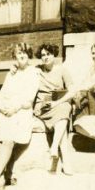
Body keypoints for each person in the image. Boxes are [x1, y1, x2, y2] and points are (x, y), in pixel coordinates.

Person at [0, 43, 39, 190]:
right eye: (18, 53)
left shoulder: (33, 73)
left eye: (24, 53)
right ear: (15, 56)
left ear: (29, 55)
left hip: (22, 112)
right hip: (7, 112)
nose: (21, 56)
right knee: (7, 141)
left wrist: (14, 108)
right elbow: (1, 95)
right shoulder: (11, 74)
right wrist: (2, 107)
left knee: (9, 141)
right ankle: (0, 178)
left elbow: (29, 99)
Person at [33, 44, 77, 175]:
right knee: (62, 121)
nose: (45, 57)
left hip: (57, 104)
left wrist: (56, 103)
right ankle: (65, 162)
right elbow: (22, 70)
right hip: (41, 107)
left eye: (48, 54)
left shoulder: (62, 70)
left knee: (65, 107)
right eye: (43, 55)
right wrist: (14, 67)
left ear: (54, 55)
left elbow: (73, 91)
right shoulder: (36, 70)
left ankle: (54, 150)